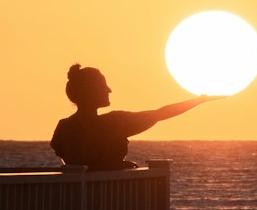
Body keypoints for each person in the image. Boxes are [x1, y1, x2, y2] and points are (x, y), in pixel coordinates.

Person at [51, 64, 215, 170]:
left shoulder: (63, 126)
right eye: (103, 85)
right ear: (90, 91)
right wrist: (198, 101)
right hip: (106, 201)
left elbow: (79, 165)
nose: (109, 90)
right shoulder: (113, 123)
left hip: (76, 201)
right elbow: (160, 114)